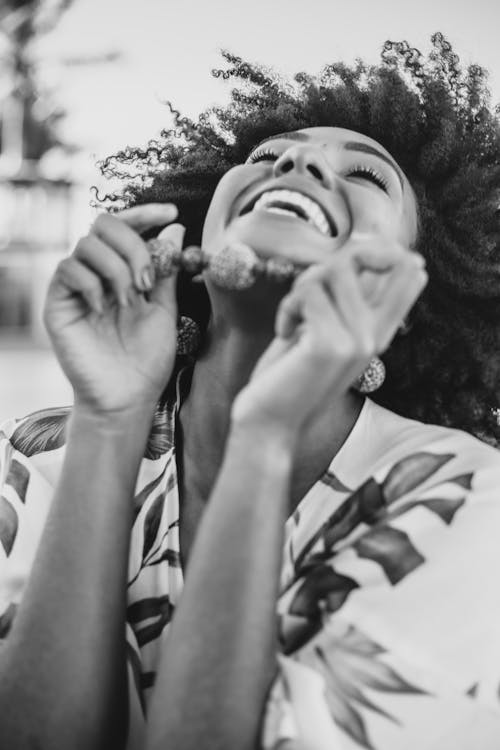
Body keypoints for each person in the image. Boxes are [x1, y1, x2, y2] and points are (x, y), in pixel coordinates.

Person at [1, 32, 500, 750]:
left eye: (365, 175)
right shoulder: (31, 458)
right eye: (267, 157)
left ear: (408, 297)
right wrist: (109, 421)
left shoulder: (467, 499)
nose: (295, 162)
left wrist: (263, 436)